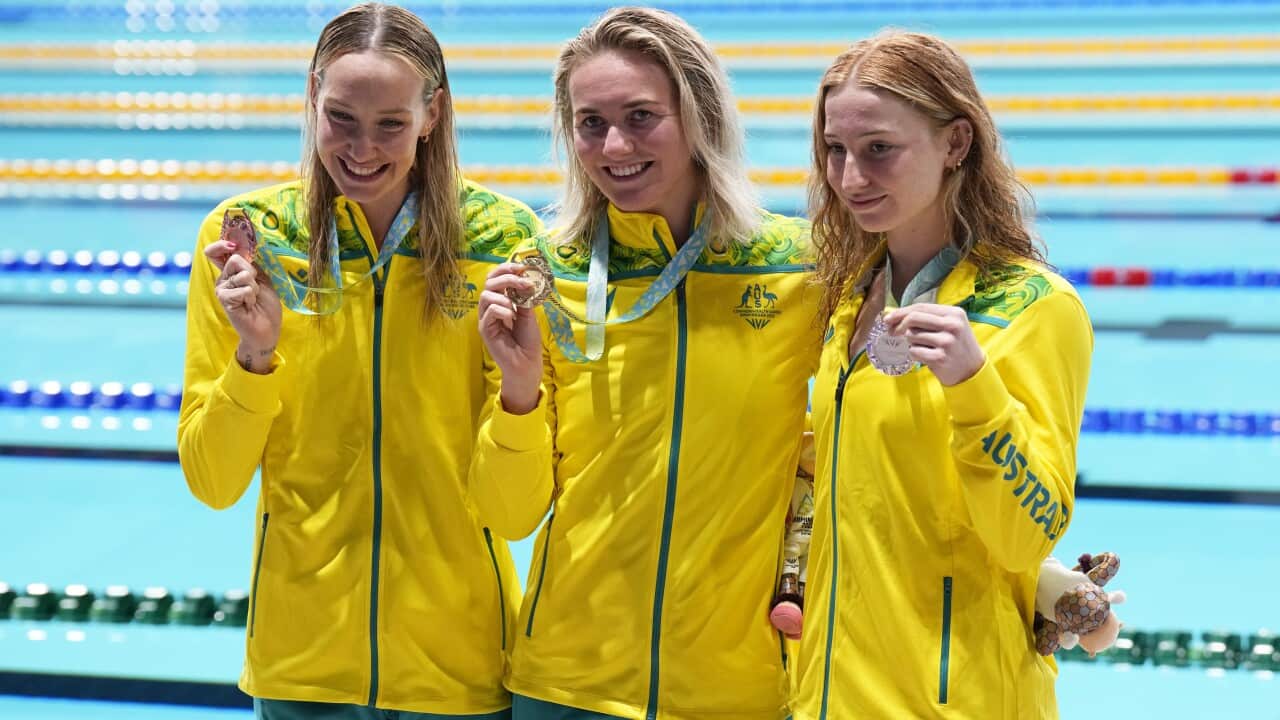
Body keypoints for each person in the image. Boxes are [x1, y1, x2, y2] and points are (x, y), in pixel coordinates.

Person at [177, 4, 540, 718]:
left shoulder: (502, 238)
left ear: (433, 113)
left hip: (460, 669)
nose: (363, 149)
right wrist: (254, 355)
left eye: (391, 125)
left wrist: (522, 395)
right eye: (341, 116)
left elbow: (519, 512)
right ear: (310, 93)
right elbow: (213, 482)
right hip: (302, 670)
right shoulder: (246, 243)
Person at [468, 7, 819, 720]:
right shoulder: (543, 275)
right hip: (564, 686)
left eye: (641, 116)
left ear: (700, 116)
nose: (614, 145)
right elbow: (509, 515)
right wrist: (519, 390)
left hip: (737, 693)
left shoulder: (799, 269)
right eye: (589, 122)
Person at [792, 31, 1093, 719]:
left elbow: (1029, 530)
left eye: (879, 150)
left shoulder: (1034, 308)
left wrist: (972, 385)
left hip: (958, 704)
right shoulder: (848, 298)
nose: (850, 179)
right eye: (835, 152)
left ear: (956, 143)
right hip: (832, 699)